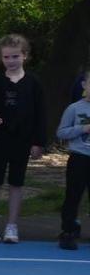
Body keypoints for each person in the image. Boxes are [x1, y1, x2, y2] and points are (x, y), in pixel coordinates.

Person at [0, 34, 46, 244]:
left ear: (25, 56)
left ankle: (12, 225)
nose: (11, 60)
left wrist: (38, 142)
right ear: (1, 58)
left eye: (15, 56)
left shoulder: (33, 82)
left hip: (23, 141)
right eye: (7, 57)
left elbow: (40, 114)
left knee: (17, 183)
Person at [56, 71, 90, 250]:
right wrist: (81, 128)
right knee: (73, 196)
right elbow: (61, 132)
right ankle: (68, 231)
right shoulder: (74, 108)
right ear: (84, 85)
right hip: (79, 157)